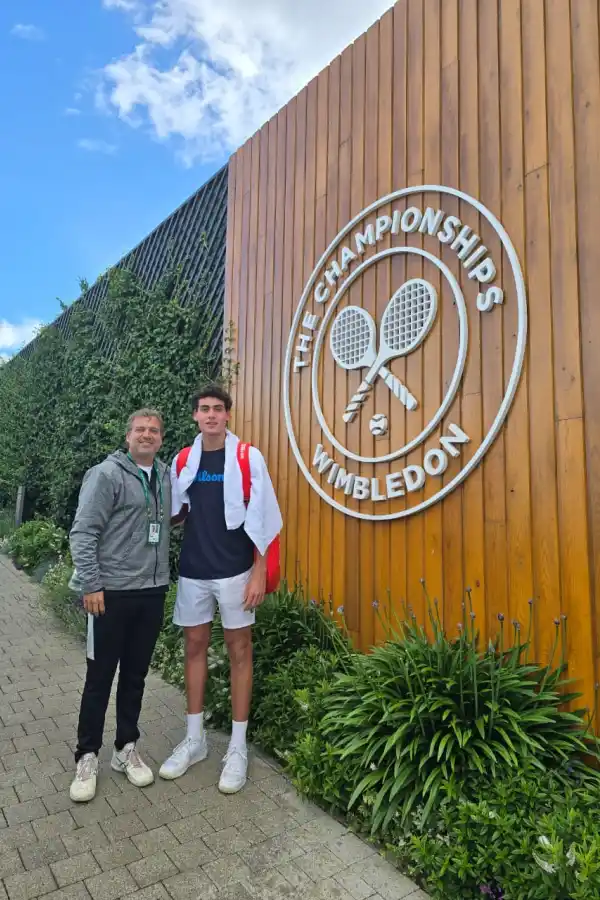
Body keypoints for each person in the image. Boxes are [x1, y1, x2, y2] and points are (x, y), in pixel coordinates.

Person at [159, 383, 282, 793]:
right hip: (194, 569)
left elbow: (263, 517)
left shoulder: (248, 457)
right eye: (203, 409)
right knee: (193, 648)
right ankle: (194, 741)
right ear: (195, 416)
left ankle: (238, 747)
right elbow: (174, 513)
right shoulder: (183, 460)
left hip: (235, 571)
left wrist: (259, 572)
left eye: (217, 408)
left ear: (228, 415)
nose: (210, 415)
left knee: (239, 652)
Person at [68, 409, 172, 802]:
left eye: (154, 431)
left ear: (161, 438)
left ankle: (125, 748)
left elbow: (163, 519)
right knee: (99, 679)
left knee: (135, 676)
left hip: (152, 591)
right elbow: (83, 531)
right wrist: (92, 584)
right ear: (128, 436)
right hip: (109, 594)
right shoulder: (106, 474)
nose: (147, 435)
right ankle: (87, 754)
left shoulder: (164, 475)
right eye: (140, 430)